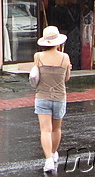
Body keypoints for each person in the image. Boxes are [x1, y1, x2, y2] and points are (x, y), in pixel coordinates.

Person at [33, 26, 72, 173]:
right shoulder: (65, 57)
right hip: (59, 97)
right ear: (58, 43)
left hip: (42, 96)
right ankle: (54, 153)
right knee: (56, 128)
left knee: (45, 130)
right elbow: (66, 78)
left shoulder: (38, 57)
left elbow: (36, 75)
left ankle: (48, 159)